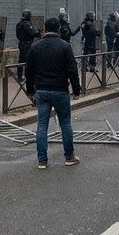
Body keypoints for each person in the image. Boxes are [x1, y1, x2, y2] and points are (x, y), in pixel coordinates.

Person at [25, 17, 81, 169]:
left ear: (44, 29)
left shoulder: (35, 47)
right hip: (60, 90)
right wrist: (76, 90)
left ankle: (42, 160)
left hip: (42, 91)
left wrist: (30, 91)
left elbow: (28, 71)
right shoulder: (65, 46)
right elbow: (72, 70)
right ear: (58, 30)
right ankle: (69, 156)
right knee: (65, 123)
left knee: (42, 125)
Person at [16, 9, 41, 81]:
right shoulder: (27, 24)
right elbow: (33, 33)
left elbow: (17, 35)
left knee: (21, 60)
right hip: (27, 43)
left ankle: (19, 76)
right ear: (29, 16)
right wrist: (38, 31)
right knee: (28, 60)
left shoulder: (19, 24)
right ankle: (28, 76)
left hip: (21, 43)